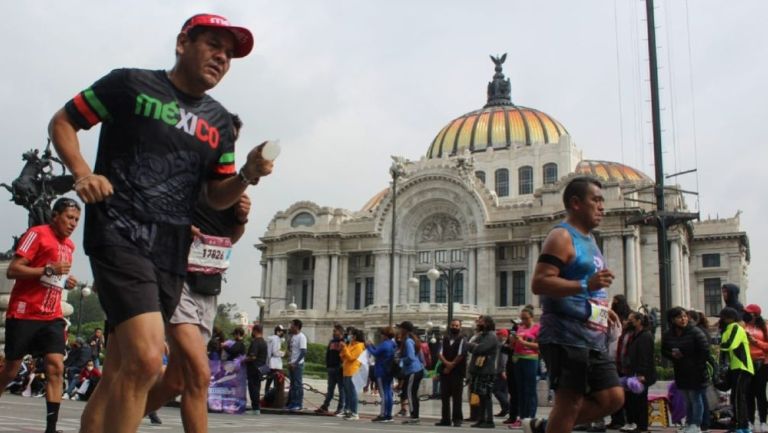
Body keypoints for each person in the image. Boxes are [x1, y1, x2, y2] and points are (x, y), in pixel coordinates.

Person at [48, 12, 272, 433]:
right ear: (182, 43)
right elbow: (63, 121)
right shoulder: (129, 84)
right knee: (149, 358)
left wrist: (246, 174)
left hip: (171, 252)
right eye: (213, 46)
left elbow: (215, 194)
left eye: (229, 55)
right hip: (119, 231)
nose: (222, 59)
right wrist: (82, 173)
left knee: (119, 370)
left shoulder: (220, 123)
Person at [527, 177, 624, 433]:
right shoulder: (561, 236)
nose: (602, 207)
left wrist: (604, 308)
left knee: (613, 398)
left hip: (592, 337)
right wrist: (586, 287)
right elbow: (540, 283)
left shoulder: (590, 240)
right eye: (596, 200)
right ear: (576, 203)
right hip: (565, 335)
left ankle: (548, 427)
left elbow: (588, 284)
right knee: (570, 402)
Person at [0, 197, 80, 433]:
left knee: (56, 365)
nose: (73, 223)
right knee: (11, 369)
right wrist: (47, 269)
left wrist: (66, 281)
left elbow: (53, 278)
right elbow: (14, 270)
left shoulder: (70, 247)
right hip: (25, 313)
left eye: (76, 219)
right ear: (55, 215)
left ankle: (51, 428)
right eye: (69, 217)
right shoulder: (38, 233)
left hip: (52, 316)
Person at [661, 307, 710, 433]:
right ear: (672, 320)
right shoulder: (669, 334)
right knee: (687, 399)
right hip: (681, 370)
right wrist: (673, 355)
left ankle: (696, 424)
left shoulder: (695, 331)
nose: (683, 319)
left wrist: (696, 364)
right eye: (679, 317)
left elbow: (704, 350)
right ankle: (688, 423)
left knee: (695, 398)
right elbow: (664, 350)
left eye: (684, 316)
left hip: (696, 371)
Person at [720, 306, 754, 433]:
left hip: (742, 367)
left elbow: (730, 344)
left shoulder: (736, 328)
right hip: (735, 367)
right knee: (736, 396)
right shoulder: (727, 330)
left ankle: (741, 425)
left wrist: (717, 343)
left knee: (738, 397)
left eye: (723, 318)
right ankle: (740, 425)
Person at [622, 312, 656, 433]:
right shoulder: (635, 335)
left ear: (638, 321)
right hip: (633, 372)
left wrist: (642, 374)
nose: (629, 322)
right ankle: (635, 423)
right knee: (633, 399)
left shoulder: (645, 336)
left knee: (640, 400)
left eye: (632, 320)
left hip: (642, 373)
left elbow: (645, 356)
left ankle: (642, 425)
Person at [467, 315, 499, 429]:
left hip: (486, 370)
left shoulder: (491, 336)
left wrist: (471, 345)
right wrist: (473, 346)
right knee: (480, 396)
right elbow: (474, 346)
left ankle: (488, 420)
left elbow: (480, 349)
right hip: (479, 370)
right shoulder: (481, 335)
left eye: (480, 322)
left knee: (485, 396)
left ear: (486, 324)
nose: (478, 323)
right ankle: (481, 419)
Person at [435, 319, 467, 428]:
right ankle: (445, 419)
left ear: (460, 327)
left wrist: (451, 365)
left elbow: (461, 354)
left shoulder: (463, 339)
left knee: (457, 397)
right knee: (444, 397)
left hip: (457, 372)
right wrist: (446, 364)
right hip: (445, 372)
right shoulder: (445, 338)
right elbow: (439, 353)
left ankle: (457, 419)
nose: (454, 327)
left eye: (457, 325)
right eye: (453, 325)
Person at [511, 308, 541, 426]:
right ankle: (522, 417)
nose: (523, 321)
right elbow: (514, 345)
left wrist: (524, 343)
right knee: (521, 390)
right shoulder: (520, 327)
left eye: (526, 318)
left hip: (530, 359)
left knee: (530, 389)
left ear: (532, 317)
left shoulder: (537, 328)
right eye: (522, 318)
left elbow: (539, 346)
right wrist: (513, 341)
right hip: (518, 359)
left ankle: (530, 417)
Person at [744, 304, 768, 432]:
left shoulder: (764, 328)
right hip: (747, 364)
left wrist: (755, 342)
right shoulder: (743, 327)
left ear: (755, 314)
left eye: (749, 312)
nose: (746, 314)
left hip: (762, 364)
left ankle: (763, 421)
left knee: (761, 393)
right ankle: (750, 421)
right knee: (749, 394)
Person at [367, 326, 397, 423]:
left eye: (382, 334)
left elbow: (375, 353)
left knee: (383, 394)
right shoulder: (393, 344)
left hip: (381, 370)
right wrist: (373, 346)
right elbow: (380, 352)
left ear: (385, 335)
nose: (381, 335)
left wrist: (368, 346)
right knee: (388, 393)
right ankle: (389, 414)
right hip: (389, 371)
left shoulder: (384, 344)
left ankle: (383, 414)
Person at [397, 321, 424, 425]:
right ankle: (415, 415)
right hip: (418, 370)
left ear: (404, 330)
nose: (399, 330)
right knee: (413, 394)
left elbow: (411, 358)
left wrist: (401, 360)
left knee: (410, 394)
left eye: (400, 328)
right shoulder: (414, 340)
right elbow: (420, 357)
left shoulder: (408, 341)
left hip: (412, 371)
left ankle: (414, 416)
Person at [316, 324, 346, 415]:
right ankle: (325, 406)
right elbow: (328, 354)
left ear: (340, 332)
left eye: (335, 331)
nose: (333, 332)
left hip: (339, 368)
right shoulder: (331, 342)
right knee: (330, 389)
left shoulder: (344, 342)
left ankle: (340, 408)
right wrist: (328, 365)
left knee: (341, 389)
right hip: (331, 368)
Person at [339, 328, 365, 421]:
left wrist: (345, 348)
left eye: (350, 334)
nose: (349, 336)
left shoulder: (359, 346)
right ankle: (349, 411)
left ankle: (354, 412)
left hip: (353, 371)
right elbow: (344, 356)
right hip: (346, 371)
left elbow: (351, 357)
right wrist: (343, 349)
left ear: (355, 336)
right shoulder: (350, 344)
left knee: (352, 393)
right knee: (348, 393)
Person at [244, 324, 268, 415]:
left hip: (253, 369)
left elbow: (253, 357)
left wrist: (244, 360)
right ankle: (256, 408)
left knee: (253, 388)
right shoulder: (264, 342)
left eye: (252, 331)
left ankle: (255, 409)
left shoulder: (255, 342)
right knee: (257, 388)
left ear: (255, 331)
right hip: (261, 369)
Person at [286, 319, 307, 411]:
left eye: (292, 325)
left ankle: (298, 404)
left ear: (297, 326)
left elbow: (303, 352)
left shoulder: (301, 337)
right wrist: (289, 361)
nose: (290, 327)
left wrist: (296, 362)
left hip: (297, 365)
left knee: (297, 384)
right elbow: (291, 350)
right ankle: (291, 403)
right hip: (292, 363)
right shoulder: (293, 336)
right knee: (292, 385)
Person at [493, 328, 511, 419]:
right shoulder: (501, 344)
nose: (496, 336)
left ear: (502, 335)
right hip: (504, 371)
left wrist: (503, 370)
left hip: (501, 371)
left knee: (496, 390)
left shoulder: (503, 345)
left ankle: (507, 406)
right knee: (504, 391)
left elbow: (504, 359)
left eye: (498, 334)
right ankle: (504, 409)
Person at [264, 325, 286, 396]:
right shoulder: (276, 339)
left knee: (268, 381)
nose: (283, 333)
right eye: (282, 332)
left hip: (271, 362)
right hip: (276, 363)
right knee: (276, 383)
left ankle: (266, 396)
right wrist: (284, 353)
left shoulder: (271, 339)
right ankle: (274, 398)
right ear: (278, 331)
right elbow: (275, 352)